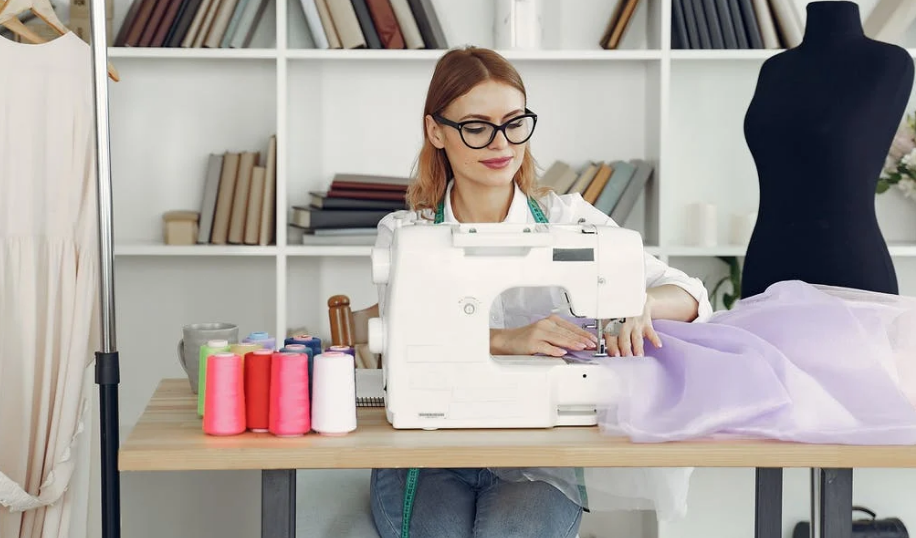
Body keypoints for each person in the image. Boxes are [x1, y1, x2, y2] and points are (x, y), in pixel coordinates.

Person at [367, 45, 713, 538]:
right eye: (477, 126)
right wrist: (508, 339)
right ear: (436, 131)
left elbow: (692, 293)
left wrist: (641, 304)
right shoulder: (404, 232)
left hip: (540, 446)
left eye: (514, 122)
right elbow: (409, 333)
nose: (500, 143)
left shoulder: (570, 218)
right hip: (430, 445)